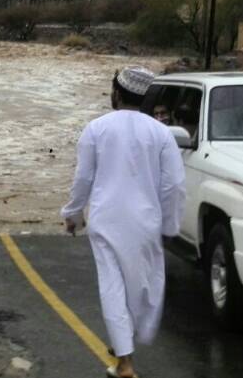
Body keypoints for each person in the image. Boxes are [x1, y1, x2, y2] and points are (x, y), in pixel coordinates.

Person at [61, 66, 186, 378]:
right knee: (139, 285)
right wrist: (170, 226)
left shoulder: (96, 128)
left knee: (112, 286)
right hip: (146, 222)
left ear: (117, 93)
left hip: (106, 220)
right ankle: (123, 344)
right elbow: (174, 186)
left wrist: (73, 215)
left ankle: (125, 360)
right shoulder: (161, 133)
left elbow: (83, 179)